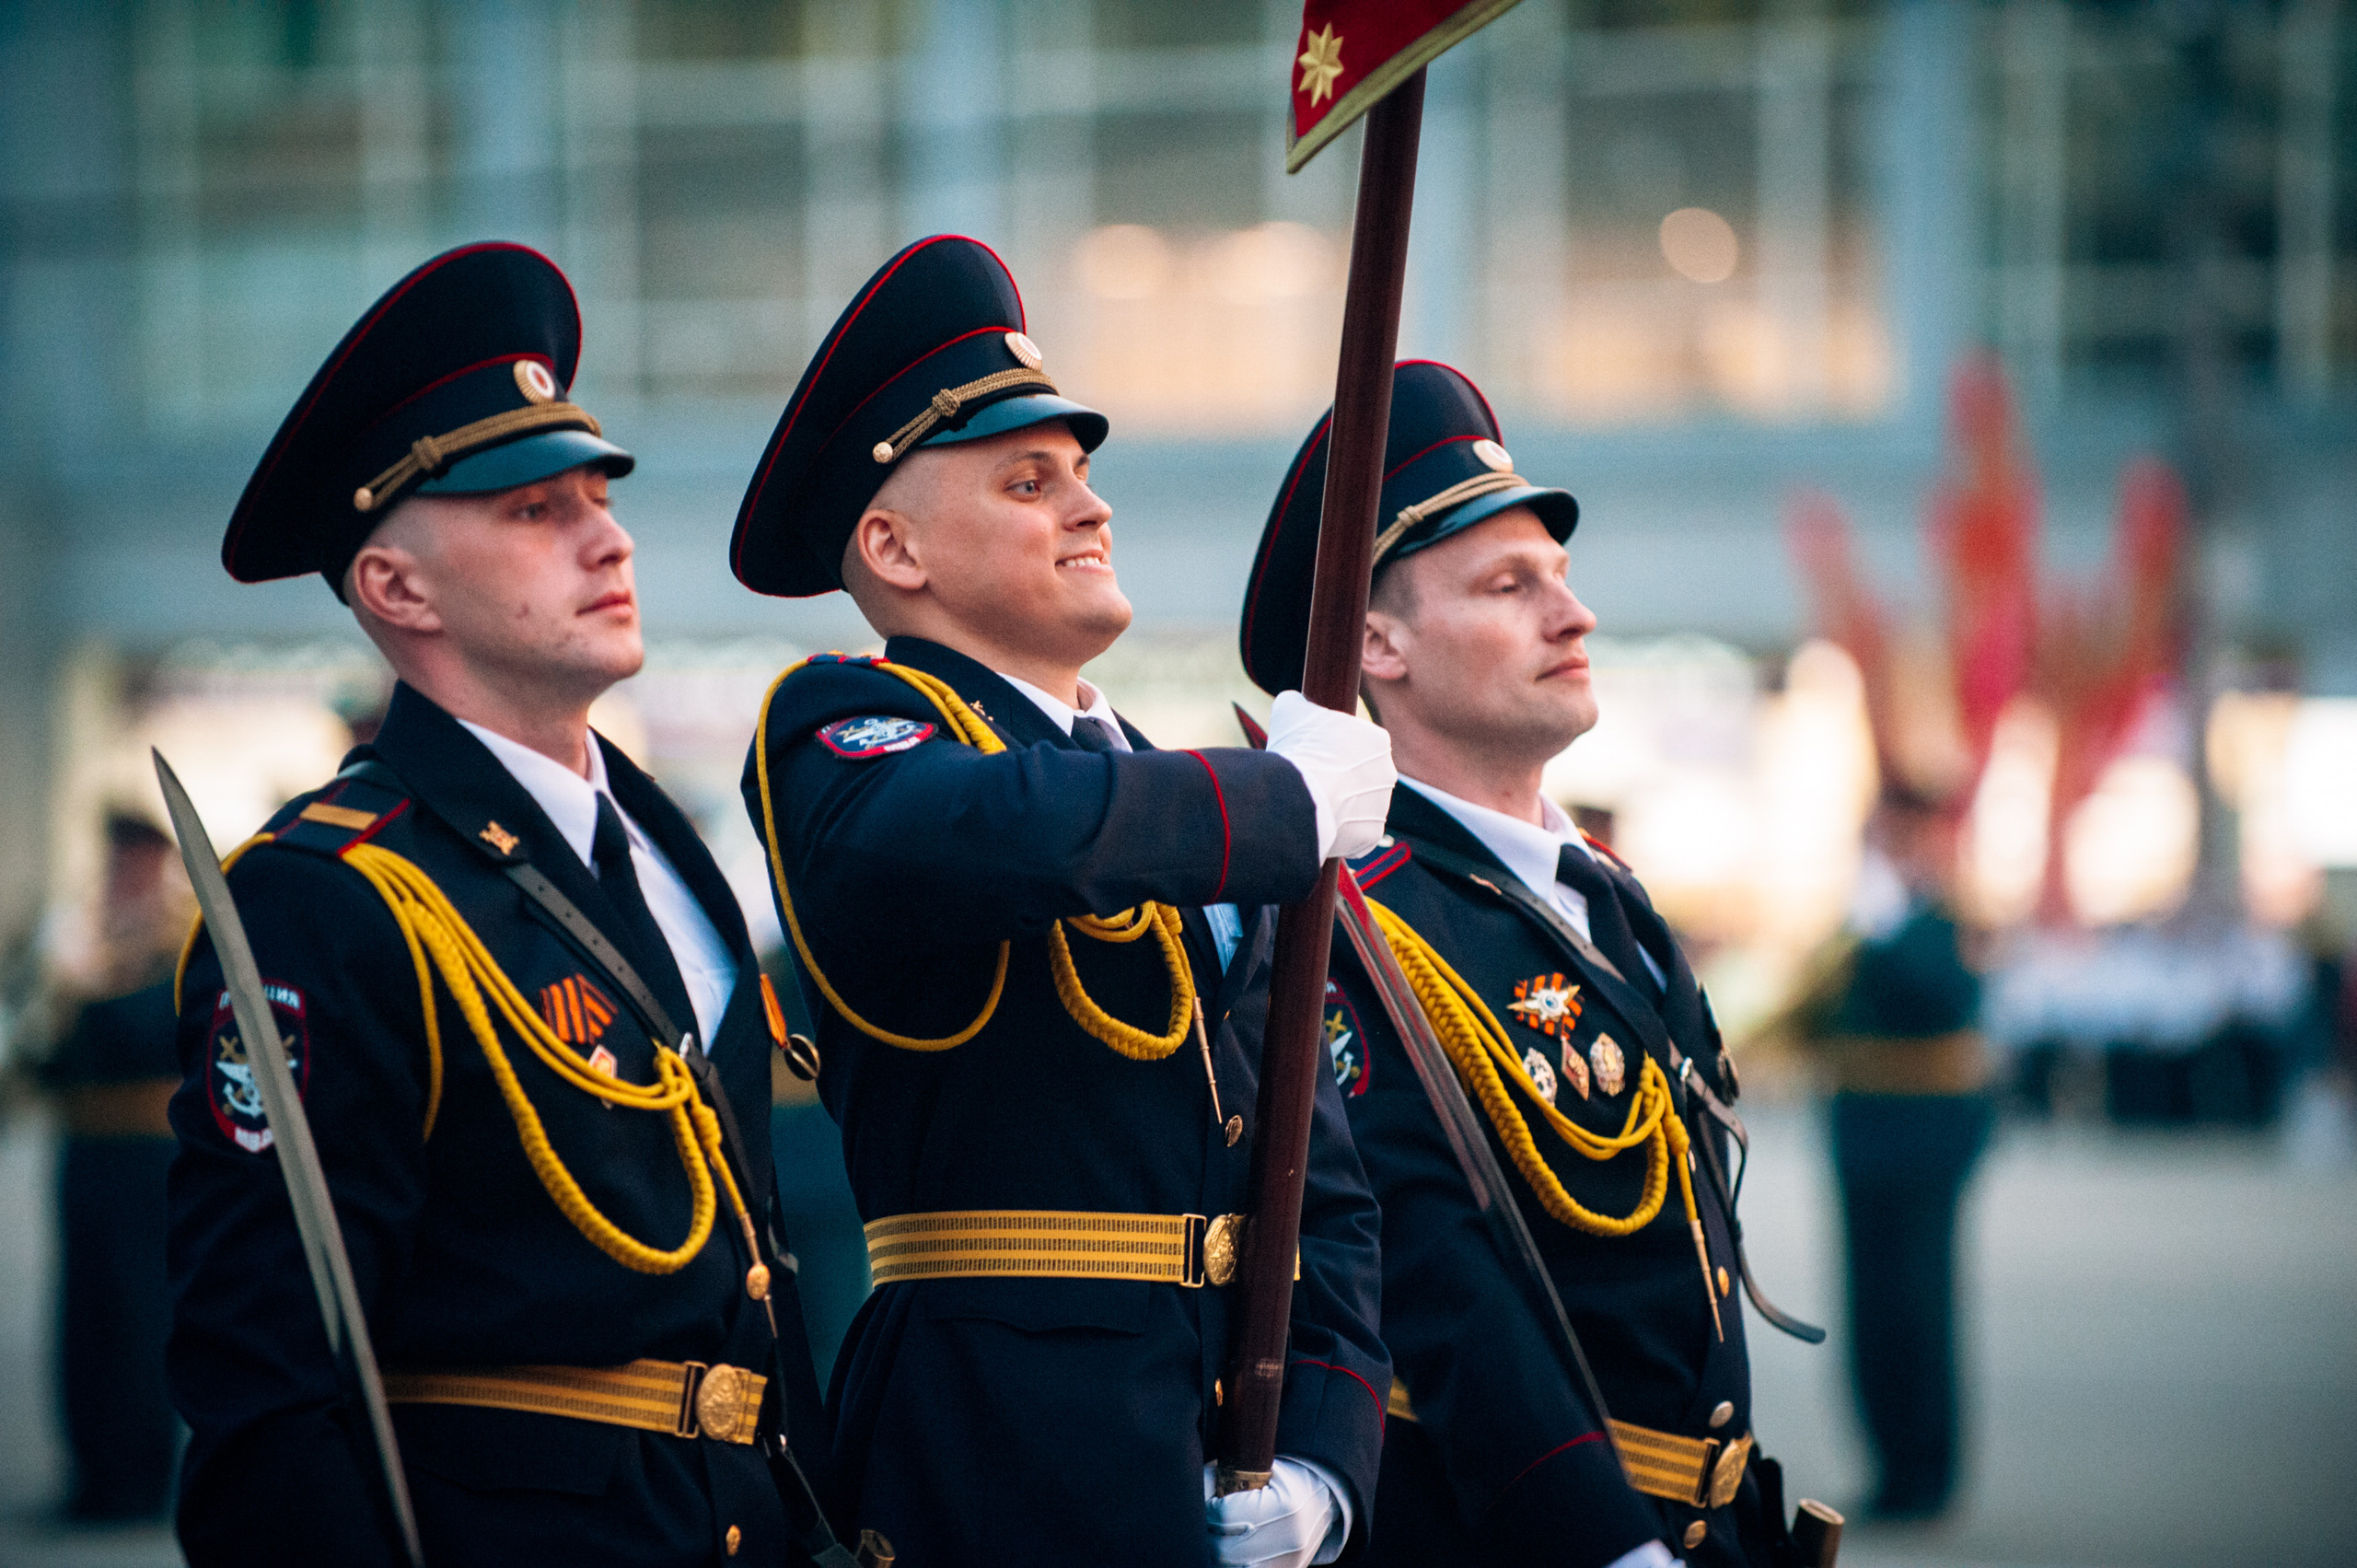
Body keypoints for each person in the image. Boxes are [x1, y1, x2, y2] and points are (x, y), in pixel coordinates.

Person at [167, 242, 838, 1567]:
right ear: (396, 587)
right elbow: (268, 1405)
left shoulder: (661, 843)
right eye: (535, 510)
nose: (609, 536)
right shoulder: (328, 897)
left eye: (599, 495)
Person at [731, 234, 1394, 1568]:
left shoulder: (1165, 800)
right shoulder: (845, 726)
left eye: (1082, 476)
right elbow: (972, 832)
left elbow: (1317, 1186)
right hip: (999, 1449)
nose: (1090, 508)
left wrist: (1324, 1460)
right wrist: (1275, 802)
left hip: (1214, 1446)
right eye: (1029, 482)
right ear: (893, 546)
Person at [1237, 361, 1807, 1568]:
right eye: (1510, 585)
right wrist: (1606, 1544)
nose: (1573, 614)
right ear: (1378, 643)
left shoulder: (1600, 892)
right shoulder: (1356, 923)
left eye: (1560, 574)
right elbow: (1433, 1281)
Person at [1806, 784, 1993, 1520]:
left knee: (1919, 1303)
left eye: (1897, 836)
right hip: (1861, 1127)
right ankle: (1887, 1460)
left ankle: (1926, 1468)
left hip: (1923, 1133)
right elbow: (1817, 1007)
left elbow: (1940, 995)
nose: (1884, 851)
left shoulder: (1948, 914)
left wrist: (1884, 928)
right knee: (1870, 1304)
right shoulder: (1861, 917)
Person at [36, 808, 191, 1522]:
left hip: (148, 1151)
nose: (119, 873)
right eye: (115, 860)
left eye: (132, 861)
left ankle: (139, 1474)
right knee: (85, 1314)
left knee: (139, 1313)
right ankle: (92, 1470)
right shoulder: (80, 945)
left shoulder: (179, 942)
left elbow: (163, 1033)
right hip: (86, 1146)